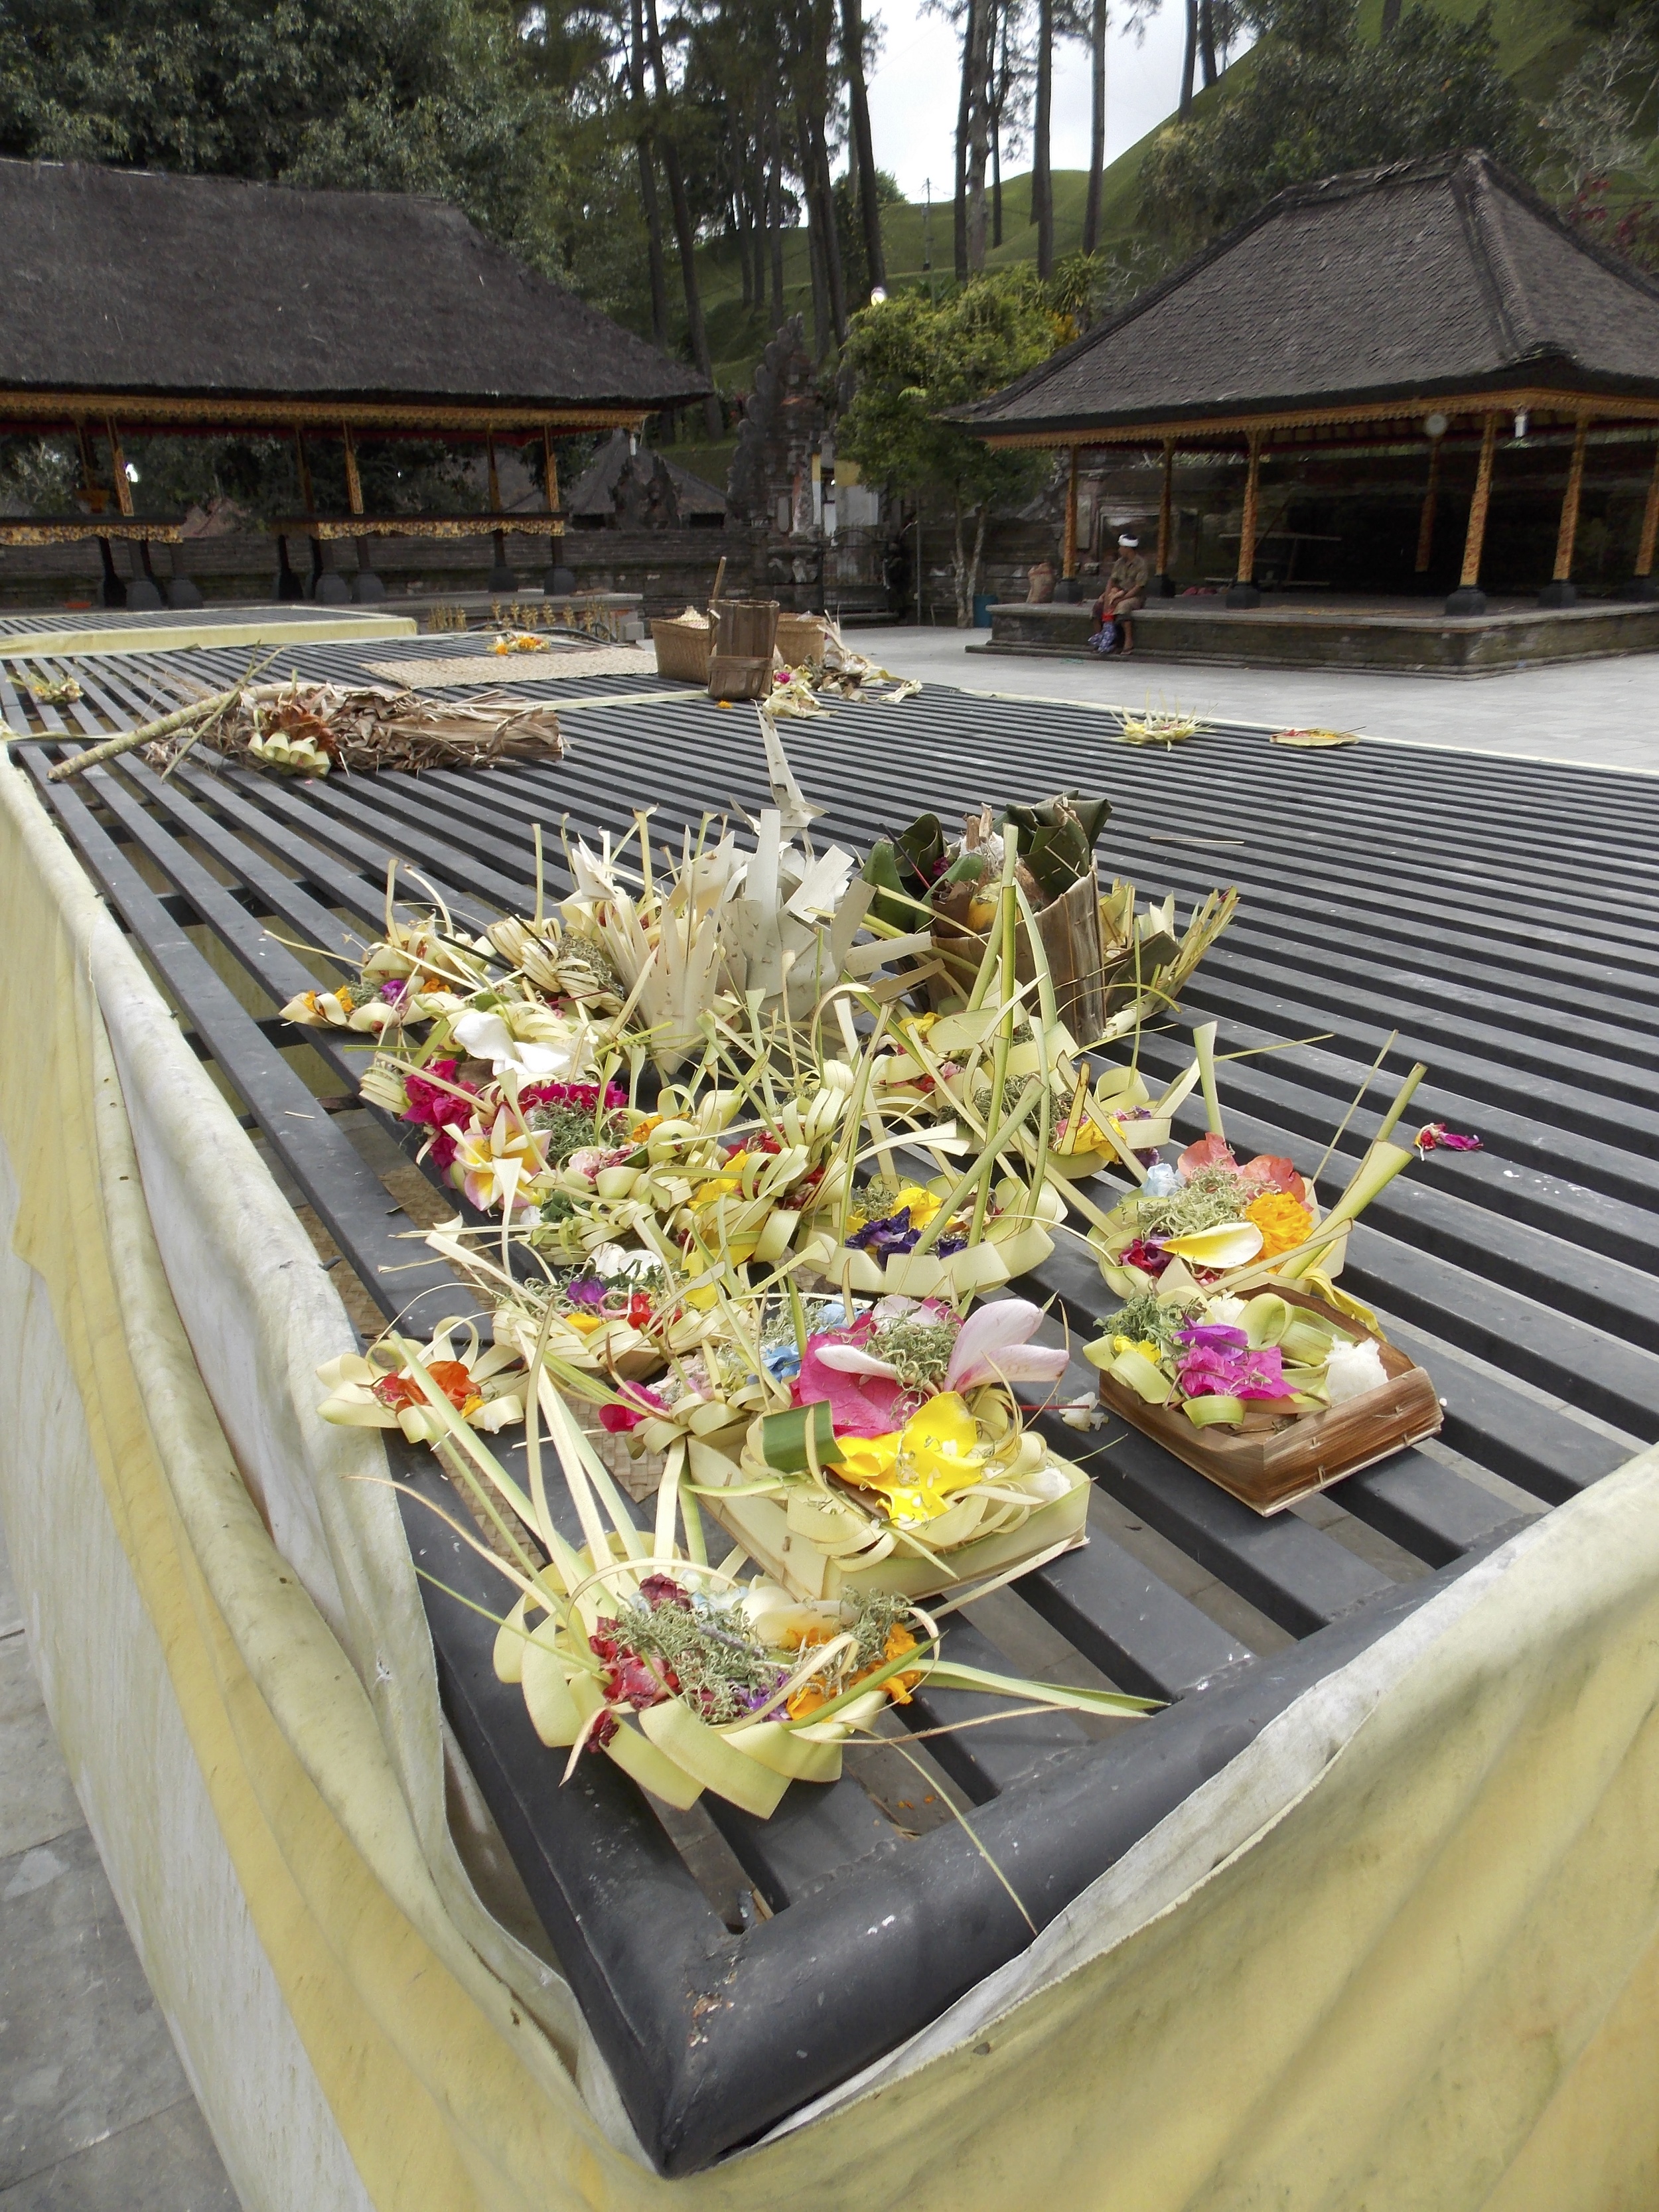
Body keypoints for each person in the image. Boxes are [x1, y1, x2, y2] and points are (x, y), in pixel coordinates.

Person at [1089, 533, 1149, 656]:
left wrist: (1122, 598)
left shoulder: (1141, 564)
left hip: (1134, 596)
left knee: (1122, 607)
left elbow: (1138, 587)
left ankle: (1128, 641)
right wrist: (1106, 596)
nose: (1119, 550)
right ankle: (1102, 640)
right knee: (1098, 607)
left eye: (1121, 547)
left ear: (1128, 549)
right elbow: (1112, 581)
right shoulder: (1119, 563)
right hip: (1117, 592)